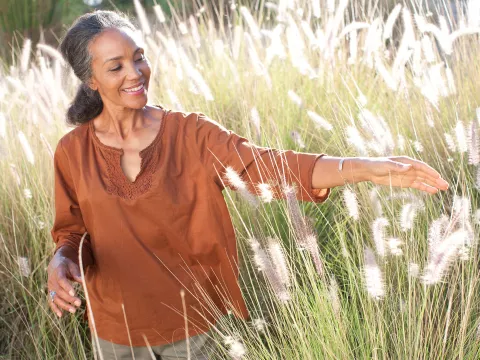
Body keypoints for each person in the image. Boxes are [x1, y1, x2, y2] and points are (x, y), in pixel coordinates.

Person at [47, 9, 450, 360]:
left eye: (139, 58)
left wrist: (366, 168)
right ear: (91, 80)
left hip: (196, 325)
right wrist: (60, 262)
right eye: (116, 67)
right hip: (115, 330)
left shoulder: (192, 134)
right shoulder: (71, 152)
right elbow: (72, 230)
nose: (136, 73)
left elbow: (267, 167)